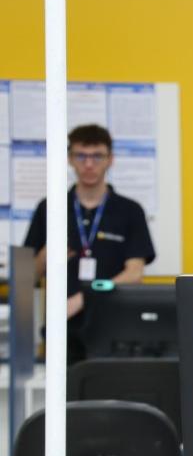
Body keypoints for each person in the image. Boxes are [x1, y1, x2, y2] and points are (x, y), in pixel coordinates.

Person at [24, 124, 156, 340]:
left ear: (110, 159)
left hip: (115, 329)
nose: (88, 164)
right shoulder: (50, 208)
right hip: (61, 331)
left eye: (97, 156)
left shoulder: (130, 210)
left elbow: (134, 274)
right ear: (69, 159)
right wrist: (44, 256)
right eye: (81, 156)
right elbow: (27, 278)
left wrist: (84, 298)